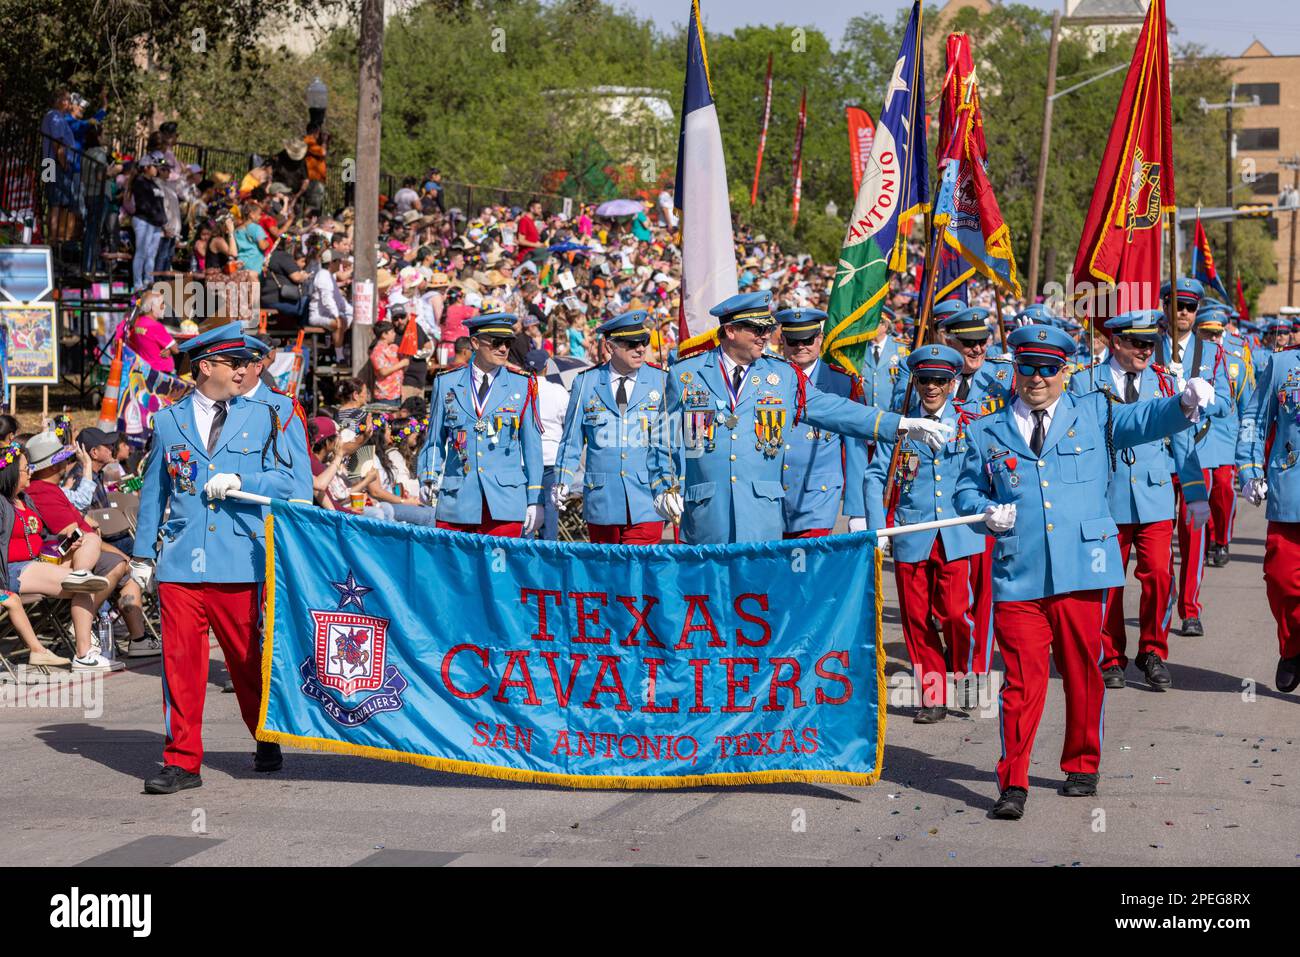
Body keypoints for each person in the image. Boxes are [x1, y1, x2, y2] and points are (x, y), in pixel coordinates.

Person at [954, 323, 1216, 820]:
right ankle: (1013, 780)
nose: (1036, 378)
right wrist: (983, 510)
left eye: (1048, 369)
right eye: (1027, 368)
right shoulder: (986, 429)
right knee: (1021, 682)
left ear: (1064, 371)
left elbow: (1144, 420)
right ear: (1015, 370)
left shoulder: (1093, 411)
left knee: (1081, 672)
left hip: (1082, 569)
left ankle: (1082, 763)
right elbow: (966, 491)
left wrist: (1182, 404)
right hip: (1019, 572)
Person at [130, 321, 297, 794]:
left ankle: (265, 734)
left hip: (238, 558)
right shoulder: (168, 420)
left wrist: (246, 484)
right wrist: (142, 557)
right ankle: (182, 761)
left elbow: (289, 483)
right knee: (181, 664)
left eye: (246, 362)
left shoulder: (263, 415)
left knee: (245, 661)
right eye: (237, 363)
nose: (246, 370)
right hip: (182, 561)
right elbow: (152, 494)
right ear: (207, 367)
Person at [650, 291, 951, 544]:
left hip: (761, 518)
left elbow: (834, 410)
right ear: (730, 331)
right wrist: (664, 485)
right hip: (706, 516)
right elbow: (662, 438)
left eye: (767, 329)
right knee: (710, 606)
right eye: (757, 329)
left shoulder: (781, 375)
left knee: (757, 605)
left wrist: (900, 424)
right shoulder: (687, 375)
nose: (766, 336)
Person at [1068, 310, 1208, 692]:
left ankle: (1153, 650)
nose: (1147, 350)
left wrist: (1194, 493)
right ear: (1116, 342)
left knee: (1160, 575)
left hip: (1154, 496)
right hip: (1106, 499)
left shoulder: (1165, 383)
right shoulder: (1084, 383)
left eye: (1151, 343)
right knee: (1108, 582)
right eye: (1138, 342)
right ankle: (1110, 656)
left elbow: (1182, 441)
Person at [866, 345, 988, 721]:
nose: (931, 388)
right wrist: (878, 526)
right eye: (924, 380)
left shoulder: (971, 422)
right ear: (915, 382)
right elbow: (875, 476)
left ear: (952, 384)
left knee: (955, 614)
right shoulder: (899, 425)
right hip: (912, 531)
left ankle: (966, 678)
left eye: (939, 381)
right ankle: (932, 694)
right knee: (916, 619)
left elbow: (986, 471)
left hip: (957, 532)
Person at [417, 314, 543, 537]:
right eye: (496, 342)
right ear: (475, 343)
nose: (504, 348)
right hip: (458, 500)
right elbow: (435, 439)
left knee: (501, 571)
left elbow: (532, 448)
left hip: (505, 503)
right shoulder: (446, 382)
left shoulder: (522, 384)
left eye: (508, 343)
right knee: (456, 570)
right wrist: (429, 475)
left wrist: (535, 498)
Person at [553, 312, 667, 545]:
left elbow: (670, 442)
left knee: (639, 572)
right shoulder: (585, 382)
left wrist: (672, 485)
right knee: (606, 575)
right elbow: (572, 439)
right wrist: (562, 477)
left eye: (643, 342)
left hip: (647, 498)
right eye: (631, 344)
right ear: (610, 346)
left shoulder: (661, 380)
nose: (640, 349)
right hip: (602, 498)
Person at [1237, 331, 1300, 693]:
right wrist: (1249, 469)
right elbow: (1254, 419)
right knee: (1280, 578)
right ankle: (1292, 648)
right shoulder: (1281, 363)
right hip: (1290, 493)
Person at [773, 308, 868, 538]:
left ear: (819, 339)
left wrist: (858, 509)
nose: (801, 346)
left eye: (807, 339)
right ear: (783, 341)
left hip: (817, 501)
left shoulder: (842, 383)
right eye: (794, 341)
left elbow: (855, 450)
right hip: (771, 500)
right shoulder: (767, 378)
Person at [239, 335, 314, 504]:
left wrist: (299, 508)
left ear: (258, 366)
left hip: (272, 507)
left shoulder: (283, 406)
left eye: (242, 364)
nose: (237, 370)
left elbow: (297, 461)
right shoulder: (223, 402)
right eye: (232, 364)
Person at [368, 321, 408, 408]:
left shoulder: (394, 348)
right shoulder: (377, 351)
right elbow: (383, 371)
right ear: (384, 334)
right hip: (385, 395)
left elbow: (403, 367)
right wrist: (402, 363)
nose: (394, 334)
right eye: (392, 332)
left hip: (397, 393)